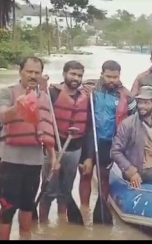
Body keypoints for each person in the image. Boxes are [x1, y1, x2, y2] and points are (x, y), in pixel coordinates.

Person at [0, 57, 57, 240]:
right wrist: (17, 107)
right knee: (8, 207)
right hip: (10, 161)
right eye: (29, 71)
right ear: (20, 72)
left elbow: (48, 128)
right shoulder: (6, 92)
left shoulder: (44, 97)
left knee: (28, 205)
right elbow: (3, 117)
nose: (32, 75)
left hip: (34, 161)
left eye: (36, 72)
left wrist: (53, 157)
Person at [38, 61, 91, 220]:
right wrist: (40, 88)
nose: (76, 78)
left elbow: (89, 129)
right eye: (73, 74)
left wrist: (88, 157)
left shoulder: (86, 96)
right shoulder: (51, 93)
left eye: (79, 75)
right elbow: (42, 120)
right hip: (53, 149)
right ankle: (43, 225)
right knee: (48, 191)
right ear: (64, 74)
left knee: (66, 191)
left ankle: (62, 222)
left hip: (75, 150)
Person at [79, 60, 135, 208]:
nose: (112, 80)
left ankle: (102, 206)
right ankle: (84, 209)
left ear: (119, 76)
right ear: (102, 74)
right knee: (85, 175)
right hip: (90, 138)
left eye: (115, 77)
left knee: (104, 177)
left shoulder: (126, 95)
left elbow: (134, 120)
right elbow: (70, 87)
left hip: (109, 141)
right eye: (108, 76)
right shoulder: (90, 88)